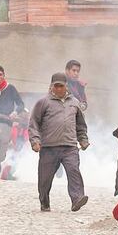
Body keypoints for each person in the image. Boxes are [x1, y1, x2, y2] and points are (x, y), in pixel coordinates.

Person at [28, 73, 90, 213]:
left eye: (61, 86)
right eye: (56, 86)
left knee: (73, 171)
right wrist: (35, 140)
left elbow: (80, 125)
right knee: (45, 179)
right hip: (49, 147)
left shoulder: (75, 103)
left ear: (66, 86)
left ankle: (77, 199)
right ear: (51, 86)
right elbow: (34, 123)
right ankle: (44, 202)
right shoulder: (43, 103)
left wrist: (83, 139)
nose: (58, 89)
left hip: (70, 147)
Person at [0, 66, 25, 179]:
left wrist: (15, 112)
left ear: (4, 76)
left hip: (6, 124)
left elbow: (21, 104)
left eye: (0, 74)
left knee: (1, 156)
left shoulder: (10, 88)